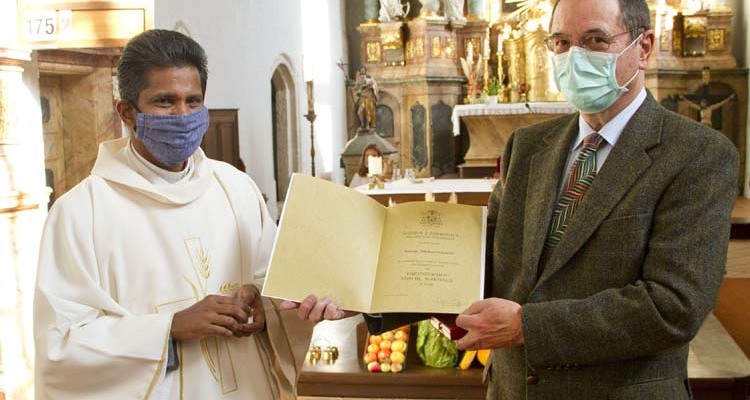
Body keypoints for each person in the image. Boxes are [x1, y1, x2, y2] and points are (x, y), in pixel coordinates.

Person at [284, 0, 739, 398]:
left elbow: (672, 306)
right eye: (561, 42)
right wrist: (364, 291)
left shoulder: (698, 154)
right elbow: (475, 262)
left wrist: (527, 327)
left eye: (595, 40)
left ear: (644, 47)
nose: (574, 56)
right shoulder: (529, 146)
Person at [34, 29, 310, 399]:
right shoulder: (82, 213)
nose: (182, 115)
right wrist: (170, 328)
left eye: (193, 101)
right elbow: (61, 347)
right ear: (127, 112)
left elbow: (277, 280)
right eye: (165, 101)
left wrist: (264, 307)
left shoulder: (235, 188)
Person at [353, 66, 379, 131]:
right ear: (360, 71)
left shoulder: (369, 77)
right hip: (362, 97)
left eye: (363, 70)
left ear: (365, 70)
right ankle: (362, 124)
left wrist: (370, 85)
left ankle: (368, 125)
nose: (362, 71)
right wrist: (357, 90)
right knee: (360, 112)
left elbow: (375, 85)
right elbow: (356, 88)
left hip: (369, 97)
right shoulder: (358, 78)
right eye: (361, 70)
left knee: (368, 110)